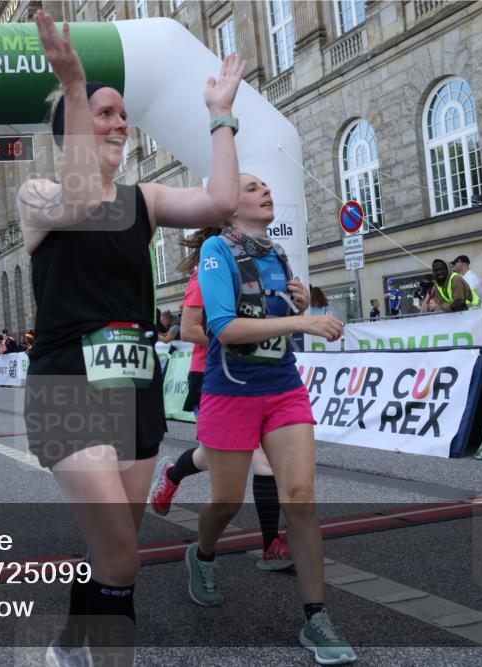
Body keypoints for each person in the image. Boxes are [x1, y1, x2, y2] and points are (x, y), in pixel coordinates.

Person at [18, 11, 245, 666]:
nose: (120, 122)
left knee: (112, 548)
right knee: (123, 553)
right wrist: (74, 83)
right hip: (68, 385)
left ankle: (70, 638)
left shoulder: (144, 200)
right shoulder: (38, 194)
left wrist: (219, 115)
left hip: (135, 385)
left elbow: (222, 201)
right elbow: (82, 204)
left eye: (121, 114)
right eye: (103, 113)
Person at [189, 173, 355, 664]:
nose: (265, 190)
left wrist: (298, 302)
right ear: (228, 205)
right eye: (252, 186)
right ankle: (201, 553)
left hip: (283, 389)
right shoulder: (216, 249)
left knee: (300, 500)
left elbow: (274, 311)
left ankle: (316, 618)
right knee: (225, 501)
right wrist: (302, 319)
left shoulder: (275, 255)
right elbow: (224, 327)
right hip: (231, 393)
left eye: (267, 184)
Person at [150, 227, 297, 572]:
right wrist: (232, 337)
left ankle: (270, 544)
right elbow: (187, 330)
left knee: (262, 459)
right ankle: (173, 473)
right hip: (215, 374)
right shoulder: (208, 270)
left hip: (259, 374)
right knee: (216, 458)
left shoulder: (261, 266)